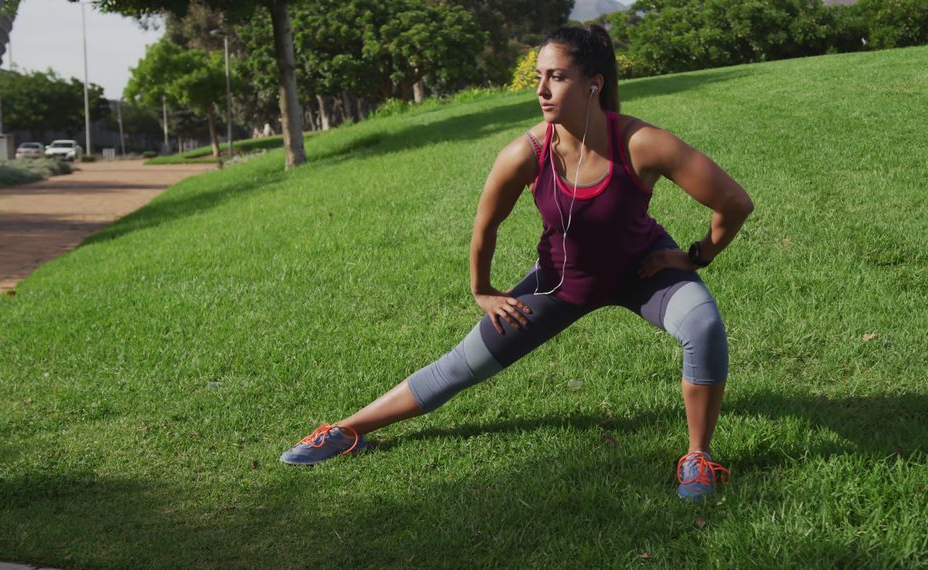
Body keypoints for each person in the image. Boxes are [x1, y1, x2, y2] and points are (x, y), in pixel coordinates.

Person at [280, 25, 754, 502]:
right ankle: (345, 429)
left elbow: (733, 202)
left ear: (593, 83)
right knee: (459, 368)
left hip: (643, 272)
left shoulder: (640, 143)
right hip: (560, 285)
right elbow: (486, 225)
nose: (542, 90)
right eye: (539, 75)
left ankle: (698, 456)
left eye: (557, 77)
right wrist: (482, 290)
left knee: (704, 327)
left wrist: (694, 256)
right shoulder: (525, 153)